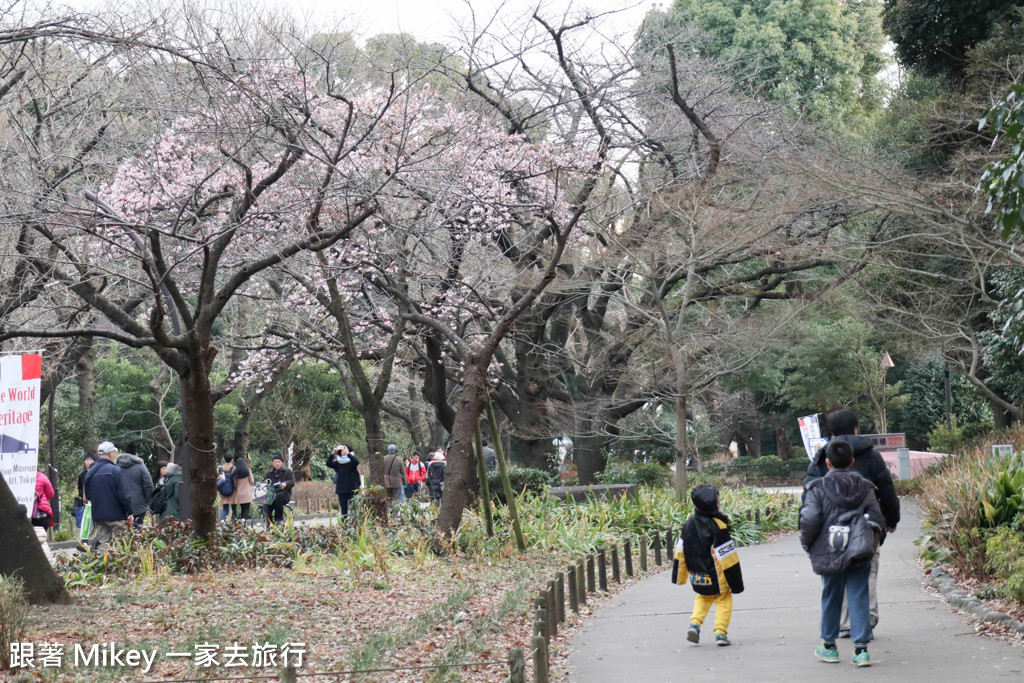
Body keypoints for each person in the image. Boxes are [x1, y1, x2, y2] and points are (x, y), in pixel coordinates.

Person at [805, 409, 900, 637]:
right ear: (856, 428)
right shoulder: (872, 455)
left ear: (832, 432)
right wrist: (891, 520)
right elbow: (886, 491)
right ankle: (863, 623)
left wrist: (810, 534)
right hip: (866, 526)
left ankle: (844, 624)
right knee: (866, 573)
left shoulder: (821, 458)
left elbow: (809, 498)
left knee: (836, 572)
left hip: (830, 530)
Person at [799, 439, 885, 668]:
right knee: (859, 596)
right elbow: (877, 518)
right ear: (852, 461)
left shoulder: (817, 488)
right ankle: (861, 651)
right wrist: (871, 541)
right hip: (859, 549)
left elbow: (810, 520)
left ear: (827, 463)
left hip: (829, 550)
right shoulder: (865, 487)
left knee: (831, 595)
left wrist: (808, 544)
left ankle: (829, 646)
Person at [673, 484, 744, 647]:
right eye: (717, 501)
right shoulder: (717, 526)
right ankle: (720, 633)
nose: (719, 503)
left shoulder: (689, 523)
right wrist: (736, 582)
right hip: (717, 575)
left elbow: (680, 551)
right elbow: (728, 557)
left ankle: (694, 625)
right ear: (710, 504)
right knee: (723, 601)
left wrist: (680, 575)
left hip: (697, 574)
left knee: (703, 597)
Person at [83, 441, 134, 548]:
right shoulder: (116, 471)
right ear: (111, 454)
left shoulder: (90, 473)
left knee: (104, 545)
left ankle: (105, 564)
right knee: (121, 544)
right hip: (116, 515)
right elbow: (123, 495)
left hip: (98, 515)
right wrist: (130, 512)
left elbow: (88, 496)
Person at [116, 445, 154, 528]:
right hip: (139, 505)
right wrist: (147, 501)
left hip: (120, 505)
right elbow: (148, 485)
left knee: (122, 530)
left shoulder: (116, 467)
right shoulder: (141, 467)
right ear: (136, 454)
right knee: (137, 529)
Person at [327, 444, 361, 516]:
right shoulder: (338, 462)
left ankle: (354, 523)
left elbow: (356, 462)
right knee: (343, 510)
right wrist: (333, 453)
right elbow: (328, 464)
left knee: (354, 509)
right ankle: (344, 525)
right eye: (341, 449)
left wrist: (348, 454)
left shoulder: (351, 460)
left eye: (344, 449)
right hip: (342, 489)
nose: (343, 451)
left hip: (353, 488)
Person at [262, 453, 295, 524]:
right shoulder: (269, 473)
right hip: (272, 494)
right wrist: (263, 485)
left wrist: (285, 484)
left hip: (284, 494)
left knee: (278, 497)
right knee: (266, 502)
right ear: (272, 463)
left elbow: (292, 481)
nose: (276, 464)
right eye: (275, 462)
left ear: (282, 462)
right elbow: (265, 481)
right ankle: (269, 521)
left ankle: (278, 519)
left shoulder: (287, 471)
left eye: (278, 462)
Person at [229, 455, 255, 520]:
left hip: (240, 492)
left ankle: (242, 519)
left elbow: (235, 484)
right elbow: (252, 481)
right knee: (247, 508)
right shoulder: (248, 470)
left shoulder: (235, 472)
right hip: (247, 492)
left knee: (242, 507)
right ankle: (244, 519)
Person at [74, 452, 96, 529]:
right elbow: (79, 488)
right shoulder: (82, 475)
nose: (88, 461)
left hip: (96, 501)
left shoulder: (97, 473)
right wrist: (83, 495)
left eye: (90, 460)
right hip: (86, 502)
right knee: (86, 523)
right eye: (86, 460)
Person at [382, 443, 406, 511]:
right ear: (395, 451)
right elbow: (403, 472)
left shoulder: (383, 458)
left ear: (388, 450)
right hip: (396, 483)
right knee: (396, 499)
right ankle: (395, 514)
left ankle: (388, 511)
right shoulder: (399, 459)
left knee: (388, 498)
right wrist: (404, 483)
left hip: (386, 482)